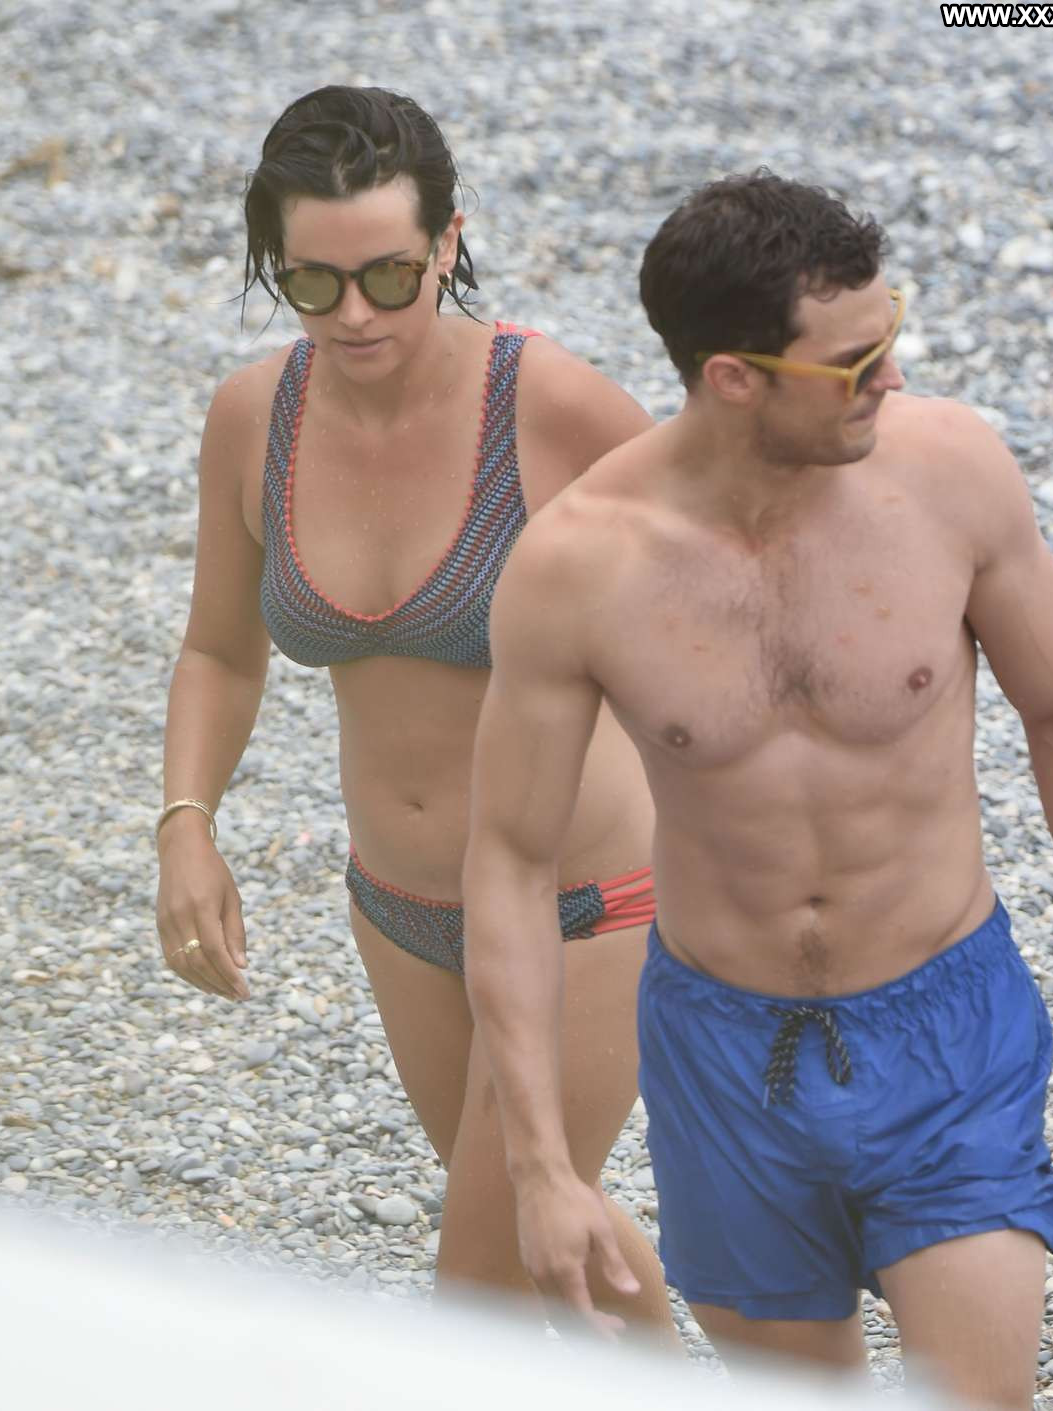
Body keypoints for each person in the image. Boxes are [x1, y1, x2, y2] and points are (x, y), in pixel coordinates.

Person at [462, 171, 1053, 1406]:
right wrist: (542, 1168)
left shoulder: (949, 476)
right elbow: (513, 860)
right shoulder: (579, 566)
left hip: (946, 1027)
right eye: (852, 364)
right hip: (723, 1052)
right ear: (733, 377)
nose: (890, 378)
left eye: (888, 336)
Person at [153, 84, 673, 1336]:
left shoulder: (552, 408)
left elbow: (722, 621)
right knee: (552, 1247)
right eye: (311, 282)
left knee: (476, 1291)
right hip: (397, 912)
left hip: (583, 904)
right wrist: (186, 822)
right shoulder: (253, 419)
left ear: (448, 242)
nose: (354, 314)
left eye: (389, 275)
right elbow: (219, 649)